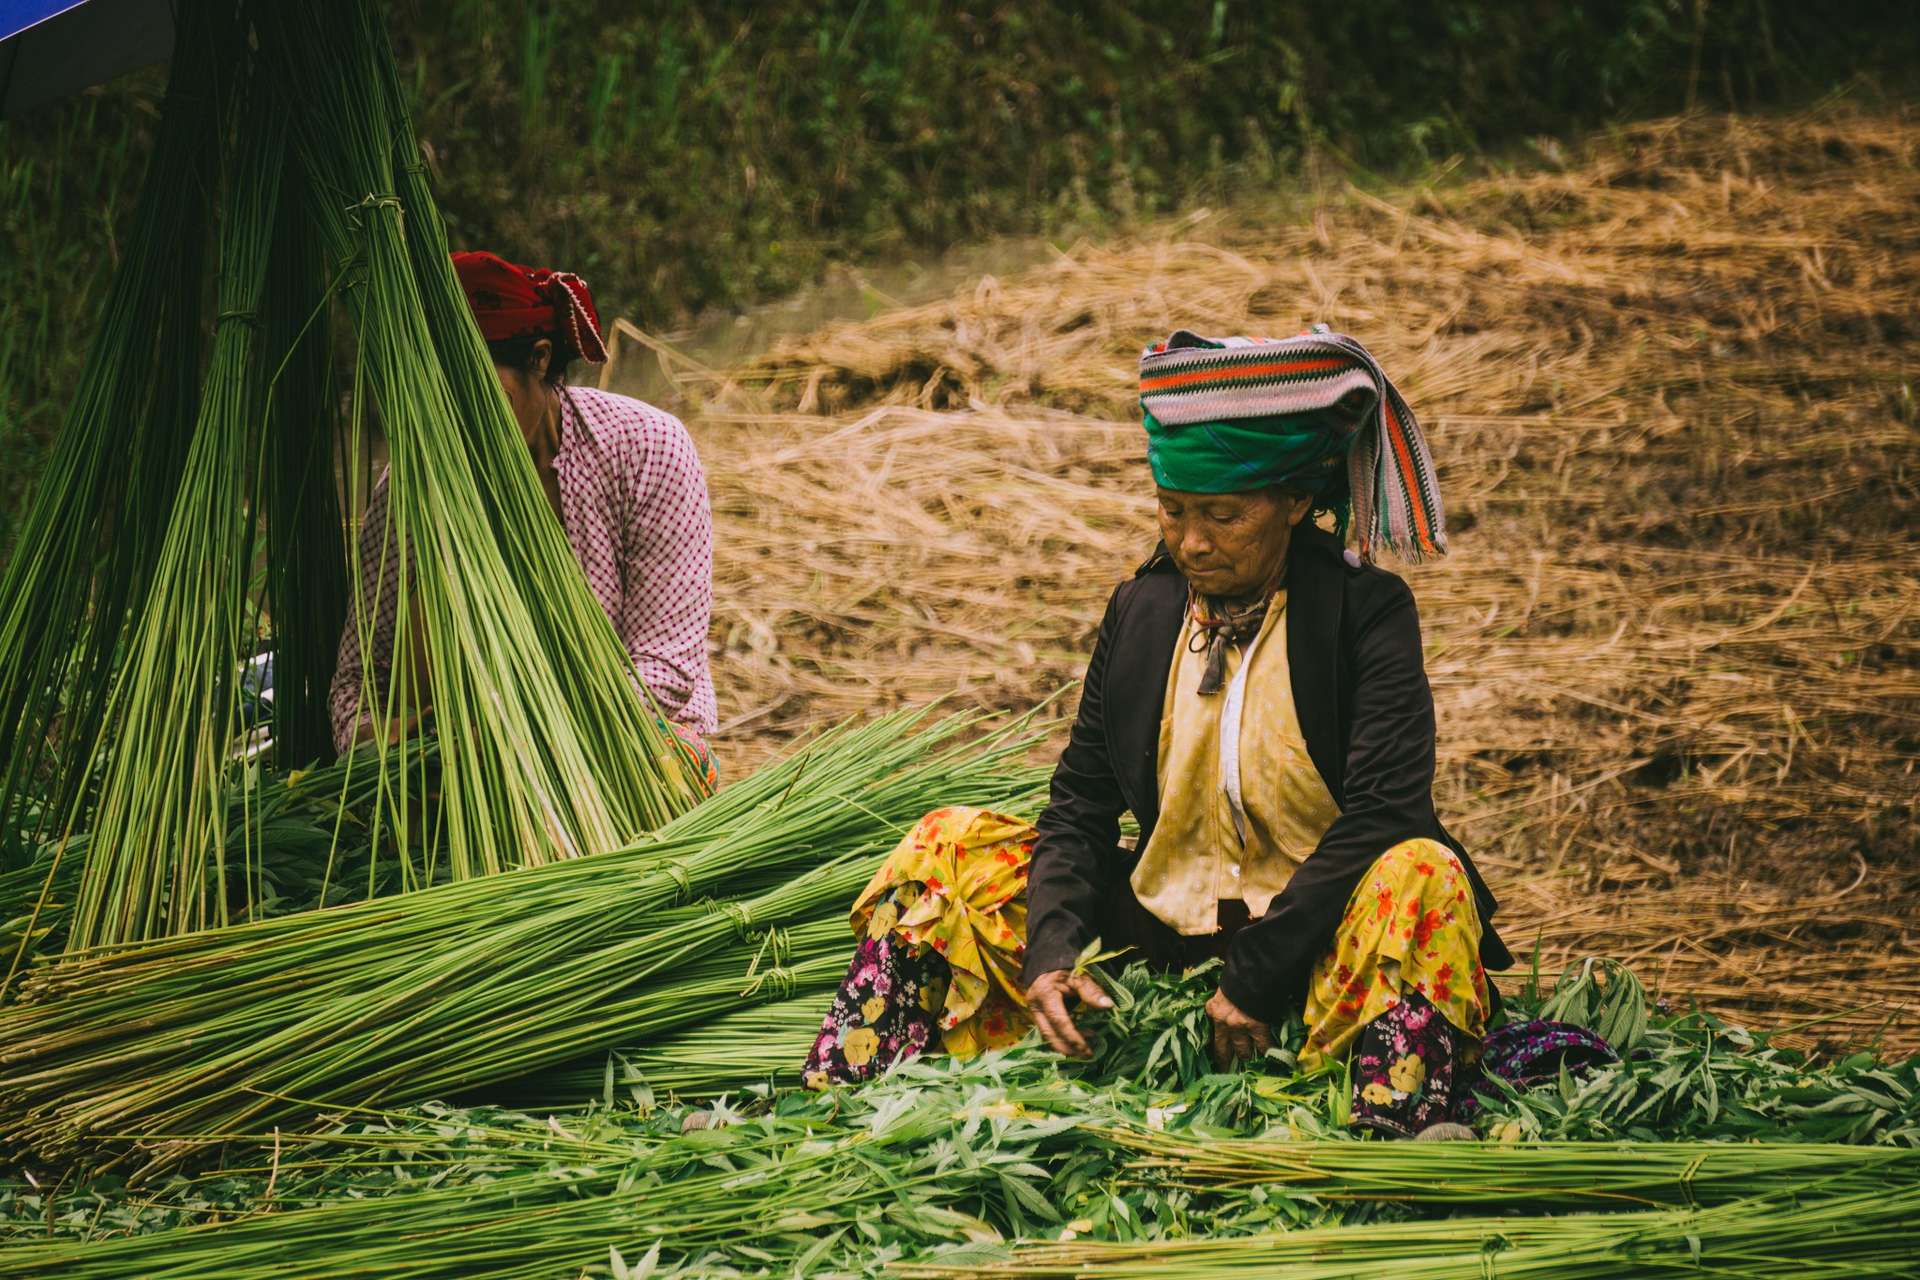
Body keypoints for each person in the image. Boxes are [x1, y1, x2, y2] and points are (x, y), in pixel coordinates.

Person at [802, 327, 1516, 1138]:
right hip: (1155, 954)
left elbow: (1385, 812)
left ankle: (1389, 1133)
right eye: (1173, 513)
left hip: (1314, 953)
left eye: (1221, 515)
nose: (1192, 542)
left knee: (1423, 873)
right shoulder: (1141, 611)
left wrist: (1257, 977)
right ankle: (844, 1107)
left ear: (1292, 500)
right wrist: (1052, 953)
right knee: (946, 848)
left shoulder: (1365, 613)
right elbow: (1078, 805)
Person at [327, 251, 717, 782]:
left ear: (538, 359)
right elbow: (355, 683)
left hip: (627, 744)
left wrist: (533, 737)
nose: (468, 429)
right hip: (468, 771)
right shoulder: (410, 494)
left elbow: (664, 666)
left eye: (488, 400)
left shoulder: (647, 448)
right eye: (446, 406)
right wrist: (406, 740)